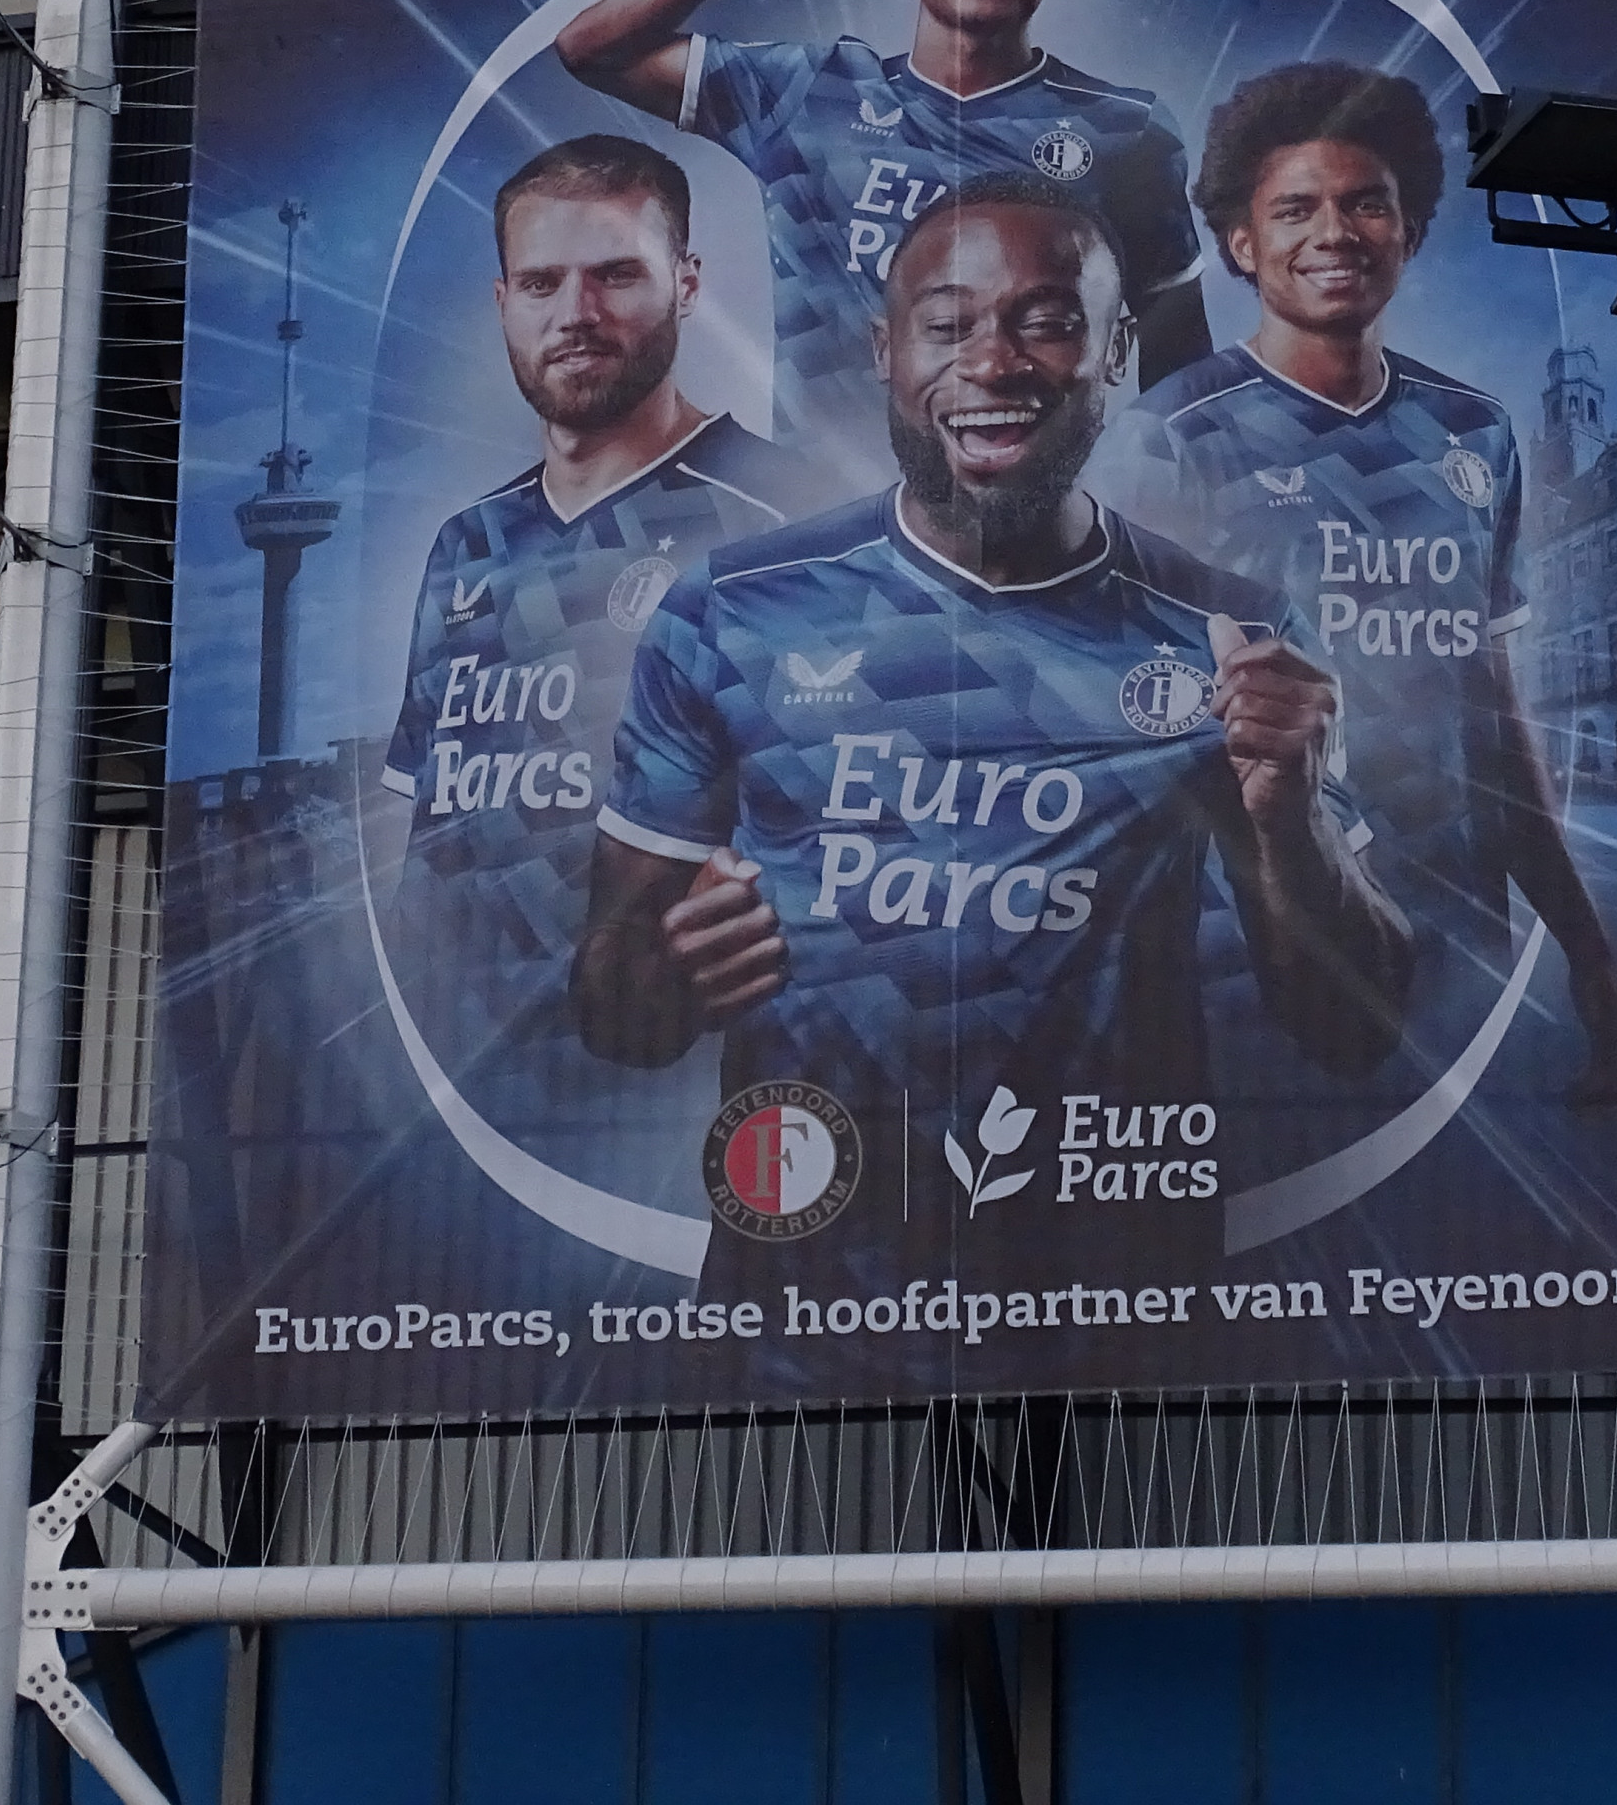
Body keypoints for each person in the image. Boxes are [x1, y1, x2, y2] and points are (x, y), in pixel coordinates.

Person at [570, 176, 1409, 1325]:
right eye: (949, 323)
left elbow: (1354, 1031)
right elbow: (618, 1014)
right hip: (803, 1330)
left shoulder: (1239, 642)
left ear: (1117, 352)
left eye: (1050, 322)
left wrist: (1292, 816)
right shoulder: (730, 612)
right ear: (886, 350)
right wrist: (669, 968)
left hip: (1124, 1331)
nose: (996, 362)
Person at [1124, 62, 1617, 1096]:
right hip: (1264, 952)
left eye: (1367, 202)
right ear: (1241, 243)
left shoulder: (1475, 434)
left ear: (1408, 229)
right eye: (1296, 208)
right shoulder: (1174, 438)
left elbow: (1493, 711)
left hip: (1457, 935)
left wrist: (1590, 951)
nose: (1336, 231)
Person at [553, 0, 1209, 478]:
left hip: (1032, 531)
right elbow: (589, 47)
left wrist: (1164, 507)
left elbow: (1179, 366)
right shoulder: (811, 94)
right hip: (832, 524)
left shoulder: (1128, 130)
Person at [380, 137, 810, 995]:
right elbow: (427, 828)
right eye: (541, 284)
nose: (575, 313)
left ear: (686, 283)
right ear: (504, 302)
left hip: (661, 1059)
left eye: (616, 274)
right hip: (448, 1056)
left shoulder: (788, 516)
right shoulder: (467, 542)